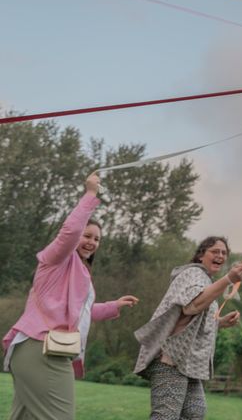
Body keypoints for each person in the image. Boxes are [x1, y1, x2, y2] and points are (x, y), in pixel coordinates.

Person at [2, 172, 139, 420]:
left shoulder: (80, 273)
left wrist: (113, 306)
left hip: (33, 351)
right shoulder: (56, 258)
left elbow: (79, 312)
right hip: (42, 350)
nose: (92, 242)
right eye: (87, 236)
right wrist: (90, 194)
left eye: (97, 239)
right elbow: (69, 232)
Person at [134, 236, 242, 420]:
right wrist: (228, 279)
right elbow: (191, 306)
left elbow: (191, 320)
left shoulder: (206, 281)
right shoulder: (192, 274)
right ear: (201, 255)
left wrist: (220, 322)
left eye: (224, 253)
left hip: (188, 362)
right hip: (169, 357)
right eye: (215, 251)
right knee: (166, 416)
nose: (220, 255)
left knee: (195, 412)